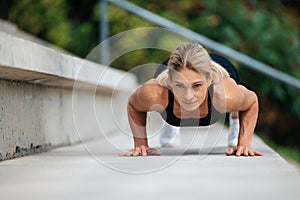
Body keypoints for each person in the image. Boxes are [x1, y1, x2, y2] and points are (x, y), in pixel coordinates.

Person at [120, 42, 262, 157]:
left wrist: (244, 143)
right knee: (165, 100)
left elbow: (251, 102)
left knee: (233, 104)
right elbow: (133, 105)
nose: (188, 96)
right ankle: (171, 122)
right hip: (175, 69)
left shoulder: (224, 95)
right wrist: (140, 144)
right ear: (169, 81)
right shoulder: (155, 94)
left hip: (220, 69)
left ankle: (234, 119)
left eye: (197, 86)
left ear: (209, 80)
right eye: (180, 86)